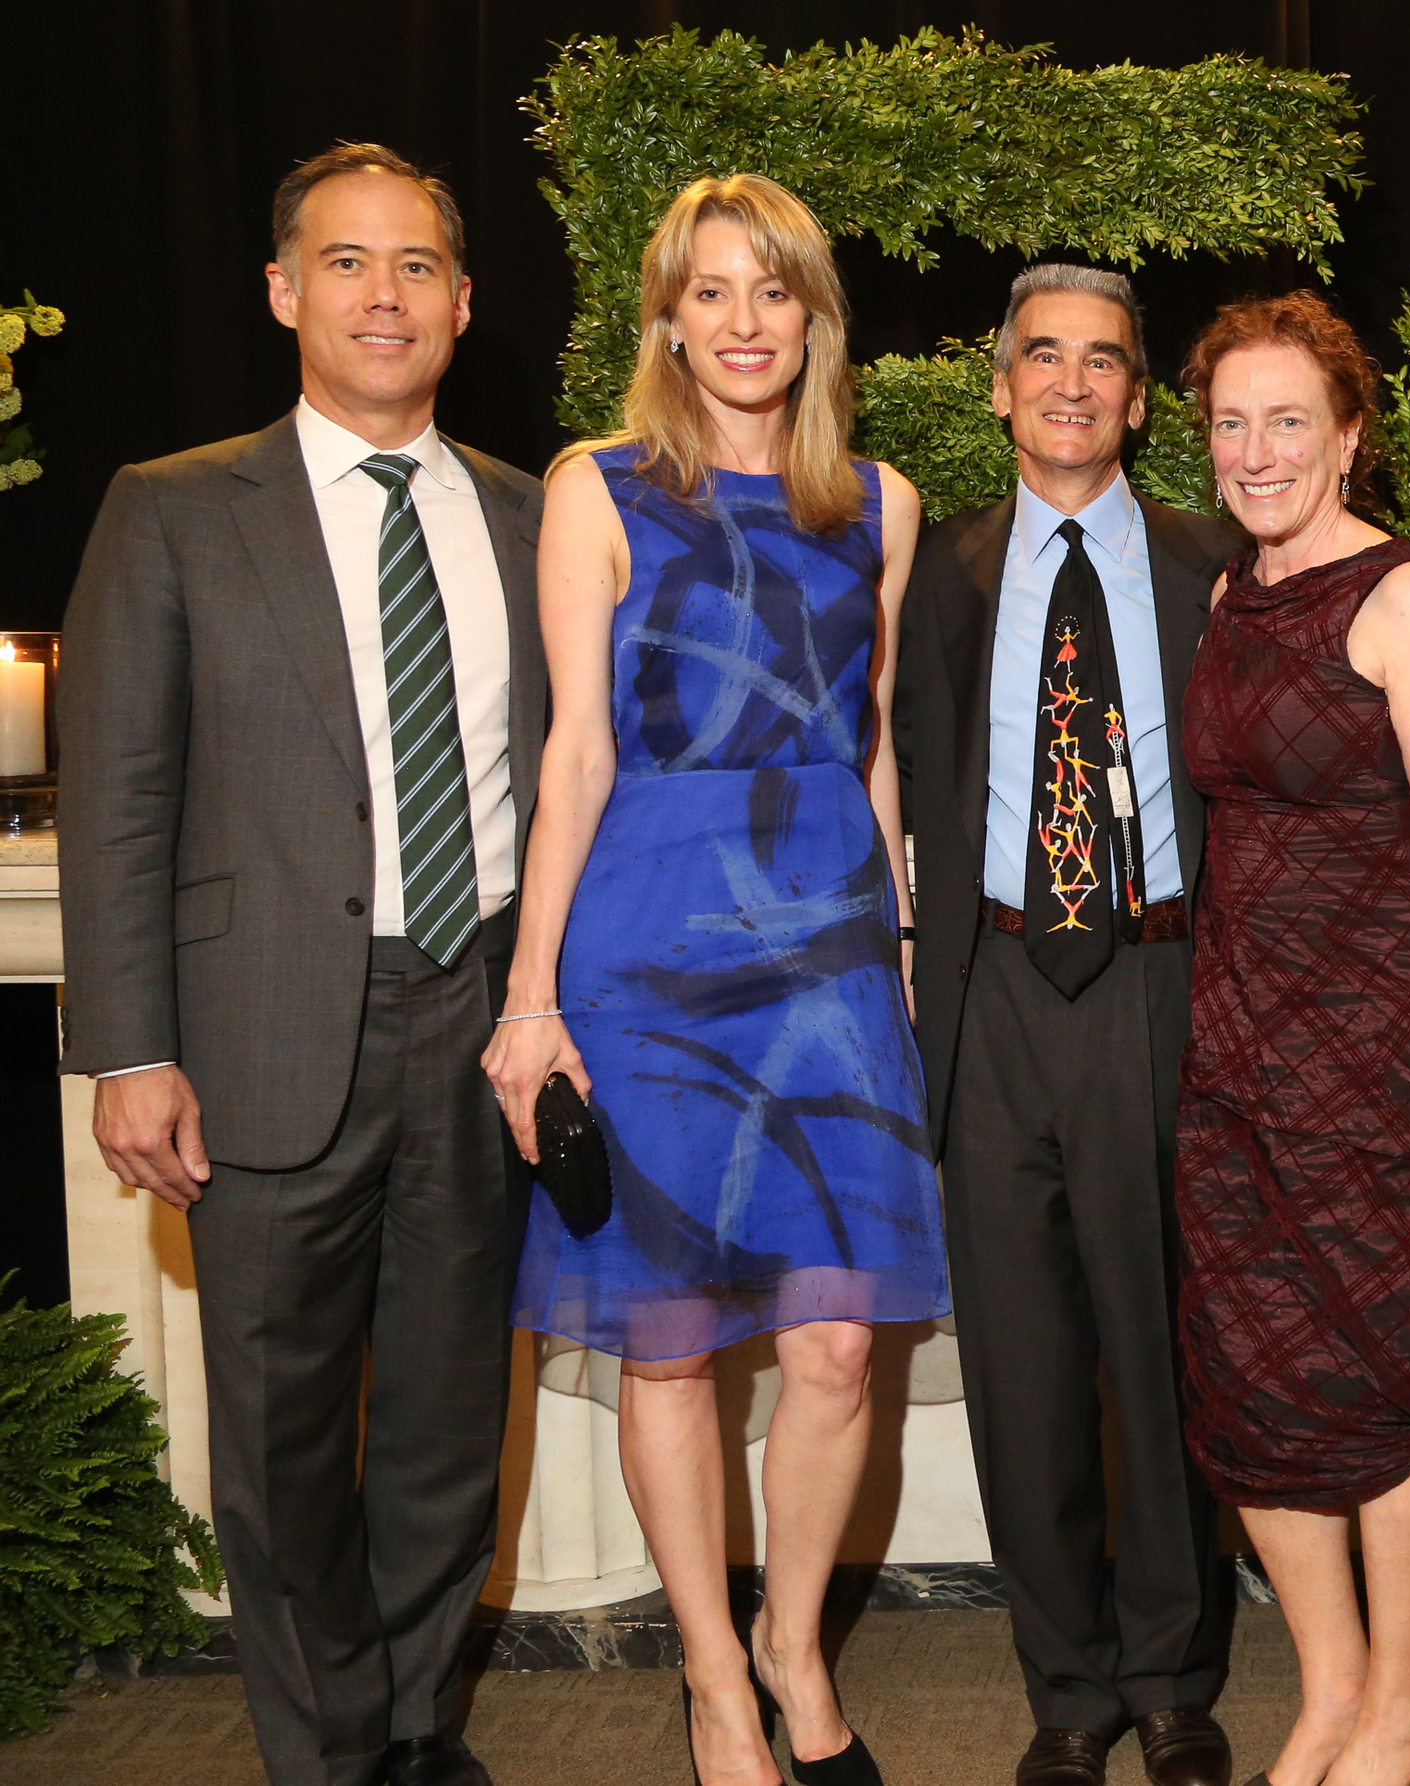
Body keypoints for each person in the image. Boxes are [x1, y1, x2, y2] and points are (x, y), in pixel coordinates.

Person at [58, 144, 543, 1786]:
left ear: (464, 304)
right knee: (276, 1445)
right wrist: (128, 1045)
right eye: (346, 263)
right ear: (282, 292)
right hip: (259, 1035)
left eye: (416, 266)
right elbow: (116, 793)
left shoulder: (536, 518)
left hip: (476, 1022)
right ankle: (325, 1754)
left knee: (444, 1428)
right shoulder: (176, 507)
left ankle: (412, 1726)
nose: (383, 295)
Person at [489, 174, 946, 1786]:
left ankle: (792, 1642)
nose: (743, 323)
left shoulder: (875, 504)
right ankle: (714, 1684)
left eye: (774, 293)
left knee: (835, 1347)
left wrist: (891, 945)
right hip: (645, 944)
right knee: (670, 1339)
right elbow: (576, 750)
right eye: (711, 292)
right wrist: (533, 997)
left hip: (823, 944)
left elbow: (875, 749)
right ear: (666, 315)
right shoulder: (596, 488)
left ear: (815, 317)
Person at [892, 265, 1238, 1786]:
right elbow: (894, 778)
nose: (1074, 385)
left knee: (1159, 1344)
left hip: (1161, 978)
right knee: (1024, 1354)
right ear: (1000, 383)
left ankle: (1172, 1668)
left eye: (1105, 363)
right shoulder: (937, 572)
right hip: (994, 985)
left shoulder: (1214, 563)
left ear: (1142, 397)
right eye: (1045, 358)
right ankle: (1069, 1686)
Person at [1173, 291, 1410, 1786]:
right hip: (1238, 1048)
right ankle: (1325, 1692)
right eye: (1232, 422)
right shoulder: (1227, 597)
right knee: (1255, 1376)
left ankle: (1406, 1699)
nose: (1257, 451)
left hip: (1377, 1055)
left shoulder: (1405, 600)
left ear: (1350, 433)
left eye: (1287, 420)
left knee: (1379, 1370)